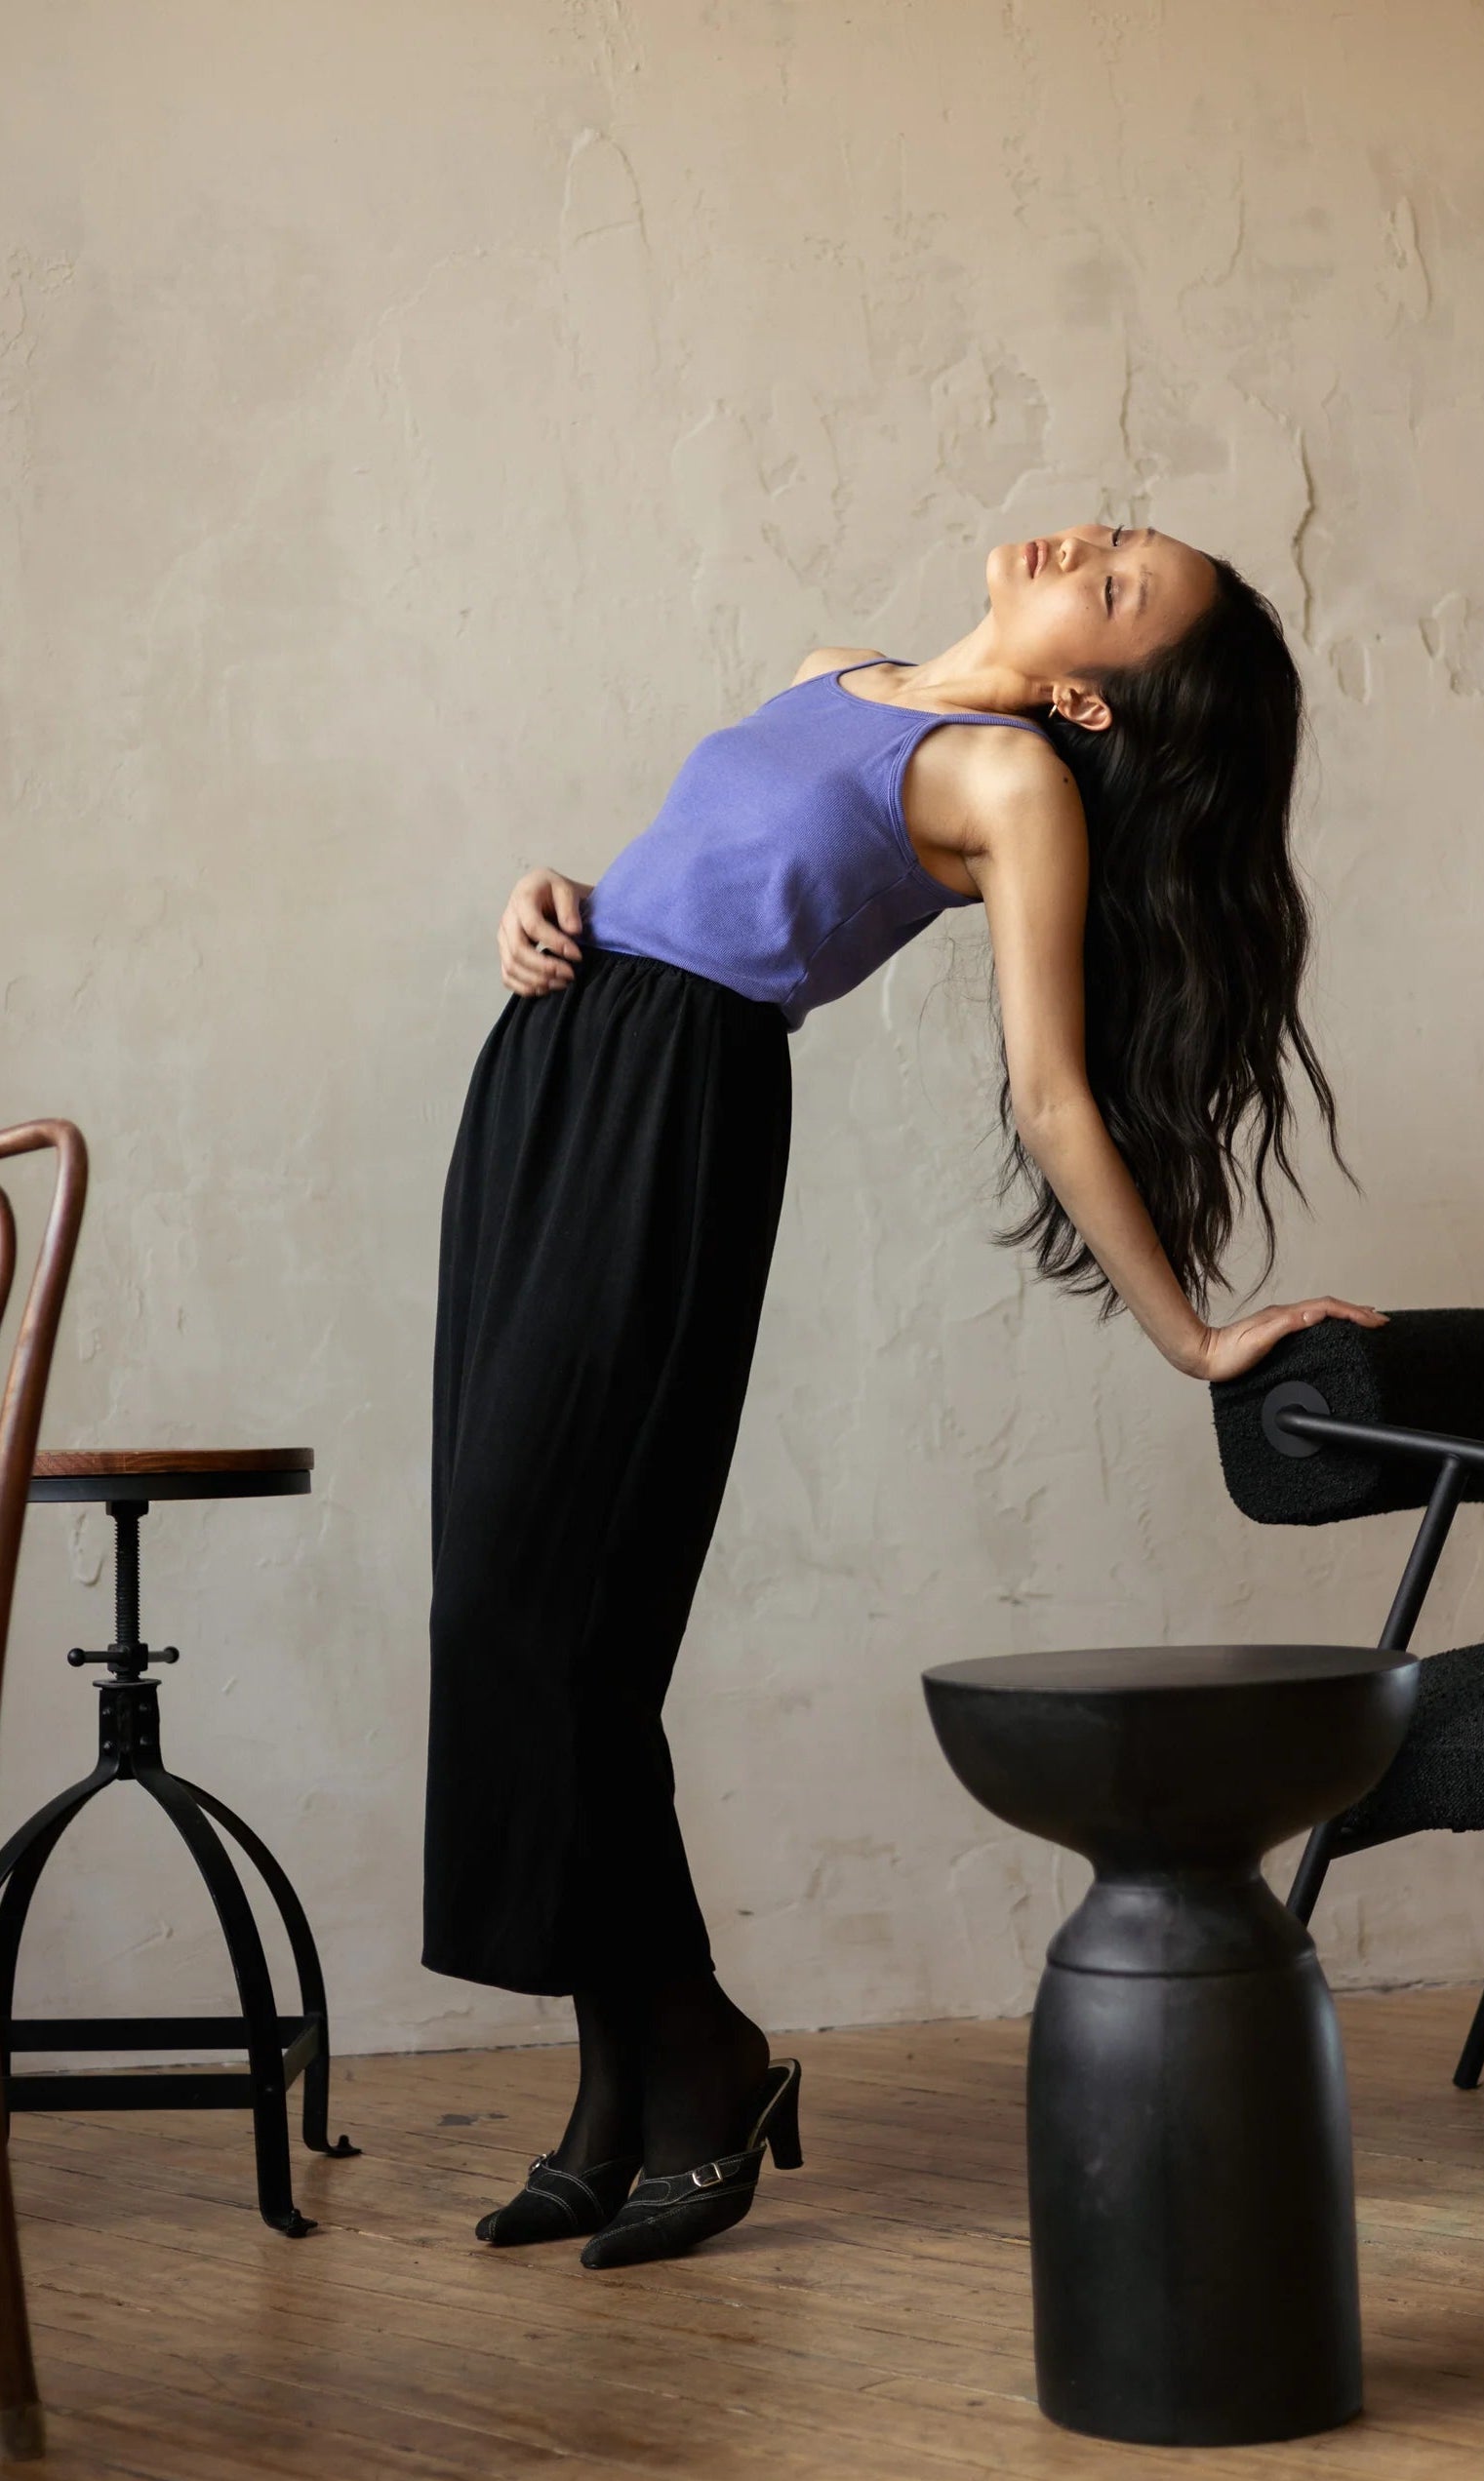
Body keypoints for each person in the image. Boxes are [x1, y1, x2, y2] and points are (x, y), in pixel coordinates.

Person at [423, 521, 1387, 2270]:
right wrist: (544, 896)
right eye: (1115, 535)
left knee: (544, 1602)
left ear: (1088, 689)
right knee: (531, 1613)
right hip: (548, 1078)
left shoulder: (1010, 783)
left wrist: (1192, 1336)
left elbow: (1052, 1092)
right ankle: (626, 2079)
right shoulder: (826, 672)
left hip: (674, 1119)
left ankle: (695, 2061)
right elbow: (682, 870)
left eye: (1110, 588)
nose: (1081, 541)